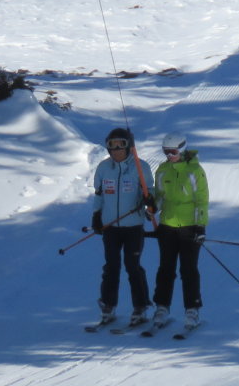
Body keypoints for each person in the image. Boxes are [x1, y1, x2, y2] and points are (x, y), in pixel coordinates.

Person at [90, 128, 154, 329]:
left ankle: (140, 307)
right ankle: (108, 306)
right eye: (112, 145)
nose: (116, 149)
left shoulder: (140, 167)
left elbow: (150, 192)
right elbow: (99, 194)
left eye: (121, 144)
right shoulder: (103, 168)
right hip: (111, 227)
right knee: (111, 266)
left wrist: (149, 201)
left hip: (133, 225)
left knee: (132, 266)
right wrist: (96, 215)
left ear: (128, 146)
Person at [150, 133, 208, 330]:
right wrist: (152, 206)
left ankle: (192, 309)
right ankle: (162, 307)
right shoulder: (163, 170)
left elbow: (201, 200)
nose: (169, 156)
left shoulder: (195, 171)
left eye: (173, 152)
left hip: (189, 226)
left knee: (188, 270)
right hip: (167, 226)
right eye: (166, 152)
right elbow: (159, 196)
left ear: (182, 150)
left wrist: (200, 226)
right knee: (165, 269)